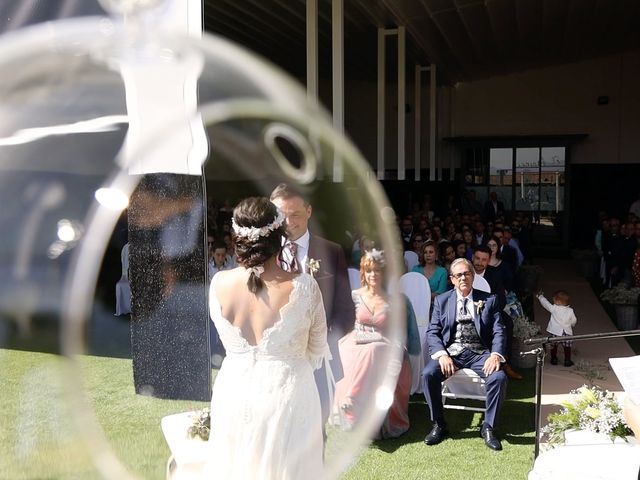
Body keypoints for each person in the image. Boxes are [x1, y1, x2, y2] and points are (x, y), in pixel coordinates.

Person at [204, 197, 329, 479]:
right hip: (290, 398)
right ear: (279, 237)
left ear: (237, 238)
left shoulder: (218, 284)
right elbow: (318, 348)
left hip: (234, 393)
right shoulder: (305, 287)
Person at [270, 183, 355, 424]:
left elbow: (346, 311)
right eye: (281, 216)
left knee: (317, 431)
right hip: (278, 360)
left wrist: (322, 341)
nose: (288, 222)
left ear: (309, 211)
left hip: (320, 360)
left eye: (295, 214)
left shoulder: (331, 251)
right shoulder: (265, 254)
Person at [422, 258, 508, 451]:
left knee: (499, 377)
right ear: (452, 279)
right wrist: (442, 355)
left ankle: (488, 426)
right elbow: (433, 331)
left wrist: (495, 355)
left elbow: (499, 331)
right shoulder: (442, 301)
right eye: (458, 275)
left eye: (467, 273)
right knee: (428, 374)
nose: (463, 278)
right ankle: (439, 423)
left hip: (480, 354)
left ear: (473, 276)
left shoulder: (489, 299)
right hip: (452, 353)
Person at [334, 249, 420, 438]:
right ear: (363, 273)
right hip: (357, 340)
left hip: (386, 342)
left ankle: (354, 399)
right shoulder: (354, 296)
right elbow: (347, 326)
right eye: (369, 270)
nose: (373, 274)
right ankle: (352, 404)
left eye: (377, 270)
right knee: (357, 349)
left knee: (375, 349)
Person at [536, 290, 577, 366]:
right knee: (567, 347)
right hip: (566, 333)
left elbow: (546, 304)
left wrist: (540, 296)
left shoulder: (554, 308)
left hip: (555, 332)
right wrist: (571, 324)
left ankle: (554, 359)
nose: (553, 302)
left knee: (553, 346)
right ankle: (567, 360)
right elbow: (574, 320)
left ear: (558, 301)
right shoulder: (570, 310)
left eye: (554, 300)